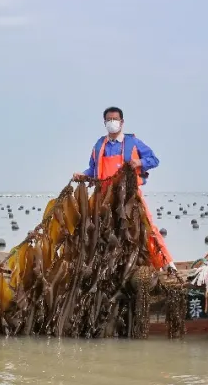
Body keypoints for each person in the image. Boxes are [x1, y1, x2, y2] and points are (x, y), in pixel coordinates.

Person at [73, 106, 175, 269]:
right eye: (109, 120)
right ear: (104, 122)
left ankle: (166, 264)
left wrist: (140, 162)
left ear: (122, 122)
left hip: (129, 197)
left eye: (115, 119)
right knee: (102, 233)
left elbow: (154, 159)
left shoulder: (132, 142)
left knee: (147, 228)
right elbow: (93, 170)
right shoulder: (99, 146)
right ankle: (109, 269)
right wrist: (82, 175)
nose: (112, 122)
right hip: (104, 198)